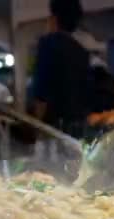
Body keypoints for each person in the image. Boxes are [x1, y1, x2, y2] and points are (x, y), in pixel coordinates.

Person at [32, 0, 90, 139]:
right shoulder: (81, 51)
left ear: (54, 18)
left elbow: (42, 89)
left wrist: (36, 126)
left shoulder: (48, 43)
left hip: (53, 127)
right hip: (78, 126)